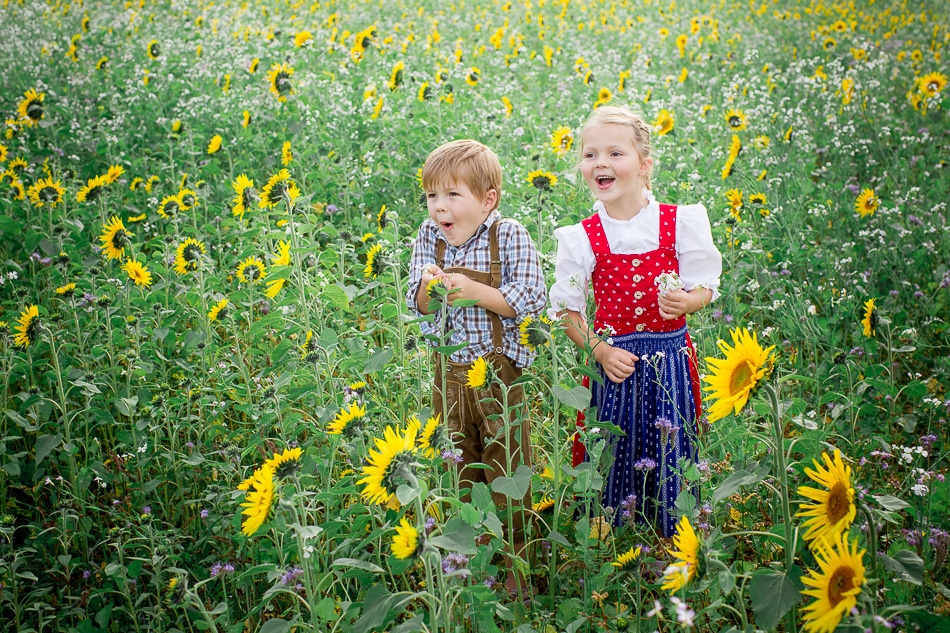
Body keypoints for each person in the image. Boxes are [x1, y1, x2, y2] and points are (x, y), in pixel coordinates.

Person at [549, 105, 722, 538]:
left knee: (672, 446)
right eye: (590, 155)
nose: (600, 163)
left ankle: (673, 532)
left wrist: (688, 301)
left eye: (615, 153)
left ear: (644, 165)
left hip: (669, 360)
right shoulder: (582, 236)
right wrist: (599, 350)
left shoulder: (679, 221)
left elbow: (707, 285)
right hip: (615, 363)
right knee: (613, 445)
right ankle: (610, 533)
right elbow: (568, 311)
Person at [405, 138, 546, 593]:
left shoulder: (508, 236)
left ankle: (514, 564)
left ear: (488, 201)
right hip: (448, 374)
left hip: (499, 374)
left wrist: (475, 291)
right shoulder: (428, 238)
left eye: (452, 195)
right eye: (432, 196)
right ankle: (469, 559)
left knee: (507, 466)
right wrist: (430, 287)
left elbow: (530, 300)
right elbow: (418, 304)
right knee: (456, 462)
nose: (439, 208)